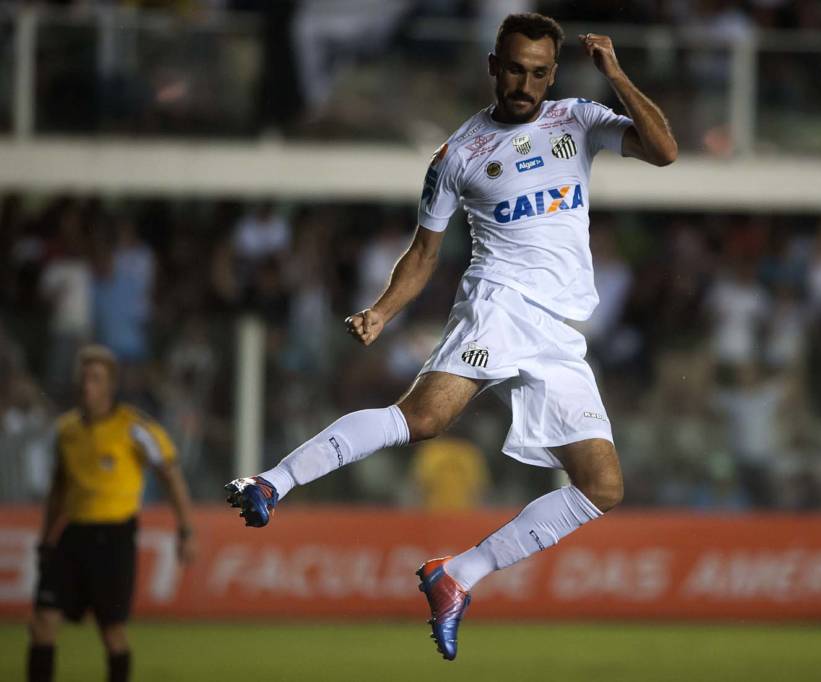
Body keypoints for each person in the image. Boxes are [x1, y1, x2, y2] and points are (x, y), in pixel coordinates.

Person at [226, 12, 677, 661]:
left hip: (557, 329)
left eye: (539, 73)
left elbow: (664, 150)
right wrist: (382, 311)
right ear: (494, 66)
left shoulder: (577, 119)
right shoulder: (459, 153)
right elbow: (424, 252)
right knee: (424, 419)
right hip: (499, 302)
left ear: (554, 75)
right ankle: (273, 482)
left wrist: (615, 74)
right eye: (515, 69)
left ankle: (457, 575)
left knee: (602, 487)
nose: (525, 84)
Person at [28, 345, 196, 682]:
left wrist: (186, 531)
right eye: (83, 378)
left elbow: (170, 473)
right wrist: (46, 538)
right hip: (72, 534)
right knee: (43, 622)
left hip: (114, 538)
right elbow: (58, 489)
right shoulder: (66, 430)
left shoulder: (134, 427)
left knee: (112, 632)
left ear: (110, 386)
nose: (86, 385)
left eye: (95, 378)